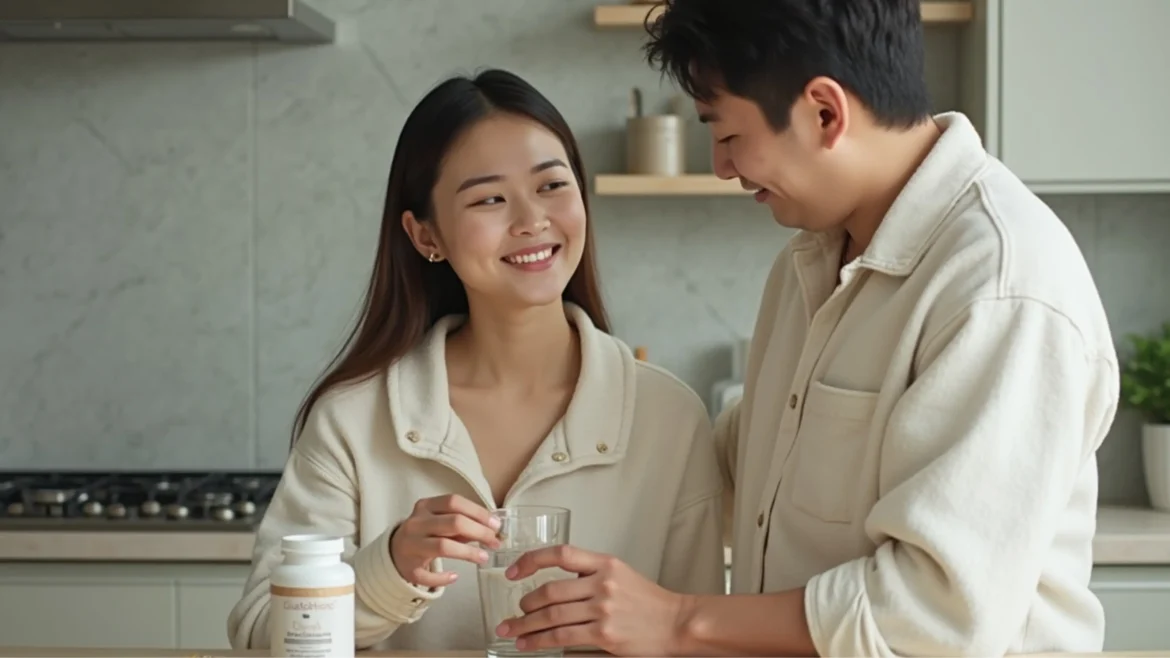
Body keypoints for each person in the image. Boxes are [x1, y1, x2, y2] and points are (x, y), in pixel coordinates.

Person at [493, 0, 1120, 656]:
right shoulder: (811, 260)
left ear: (824, 112)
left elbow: (938, 615)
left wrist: (676, 621)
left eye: (728, 134)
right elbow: (743, 466)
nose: (722, 167)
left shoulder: (1000, 287)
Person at [225, 68, 726, 652]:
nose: (531, 220)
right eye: (489, 198)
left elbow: (700, 637)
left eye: (552, 186)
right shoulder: (352, 420)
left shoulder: (668, 417)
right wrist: (388, 569)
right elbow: (260, 634)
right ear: (424, 235)